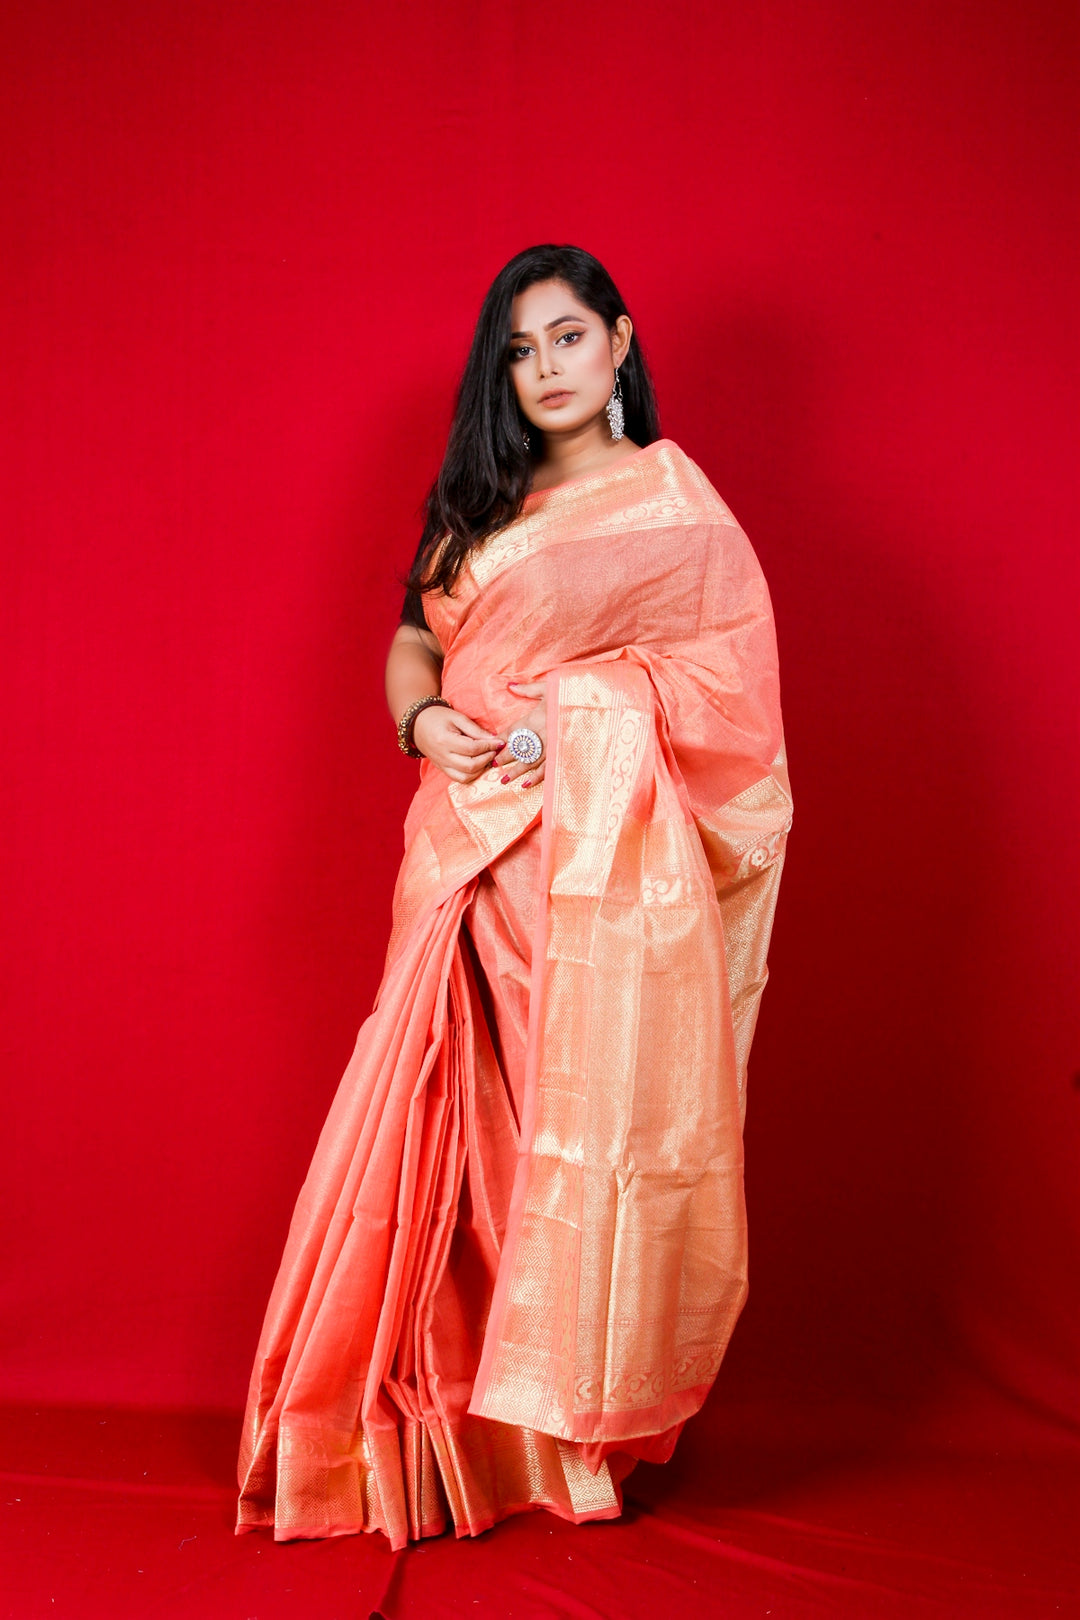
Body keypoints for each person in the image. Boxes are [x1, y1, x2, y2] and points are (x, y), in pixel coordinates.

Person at [236, 244, 793, 1552]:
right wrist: (423, 717)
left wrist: (580, 724)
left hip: (590, 878)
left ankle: (549, 1431)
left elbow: (727, 704)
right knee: (443, 1130)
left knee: (553, 1140)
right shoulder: (483, 498)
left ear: (619, 343)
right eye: (519, 351)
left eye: (565, 340)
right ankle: (427, 1427)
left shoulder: (671, 506)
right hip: (460, 852)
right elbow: (418, 632)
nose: (543, 370)